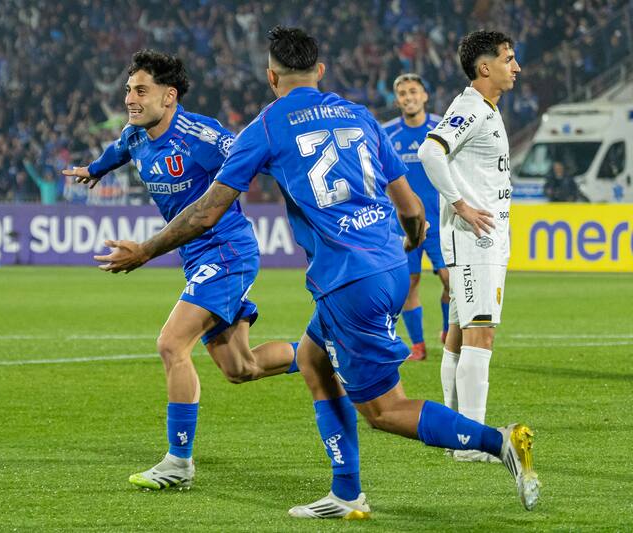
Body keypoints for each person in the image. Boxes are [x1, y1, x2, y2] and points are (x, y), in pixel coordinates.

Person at [95, 26, 540, 517]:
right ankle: (346, 494)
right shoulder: (359, 115)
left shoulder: (266, 126)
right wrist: (406, 246)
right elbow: (413, 210)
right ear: (320, 71)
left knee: (385, 411)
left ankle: (497, 442)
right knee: (312, 360)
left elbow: (206, 212)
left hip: (348, 279)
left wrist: (144, 251)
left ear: (271, 76)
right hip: (386, 263)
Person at [62, 50, 299, 491]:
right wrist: (94, 171)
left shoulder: (203, 135)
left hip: (227, 251)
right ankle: (323, 352)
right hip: (196, 257)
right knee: (240, 368)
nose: (130, 99)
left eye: (140, 90)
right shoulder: (136, 136)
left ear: (168, 96)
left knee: (172, 344)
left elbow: (255, 157)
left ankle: (178, 462)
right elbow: (118, 149)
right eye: (128, 90)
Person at [418, 30, 521, 463]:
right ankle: (472, 444)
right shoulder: (470, 107)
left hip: (482, 240)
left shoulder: (487, 109)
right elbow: (430, 152)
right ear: (485, 67)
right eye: (509, 59)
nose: (516, 67)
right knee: (482, 334)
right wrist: (461, 205)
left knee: (459, 336)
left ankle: (456, 434)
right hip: (476, 240)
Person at [382, 73, 449, 361]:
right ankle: (418, 345)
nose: (409, 97)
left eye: (413, 92)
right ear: (397, 101)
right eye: (403, 93)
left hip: (440, 221)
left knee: (451, 281)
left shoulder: (441, 128)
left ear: (424, 96)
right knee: (409, 283)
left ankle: (448, 332)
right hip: (403, 225)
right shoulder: (387, 134)